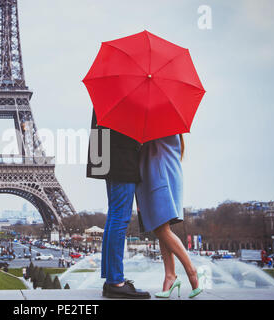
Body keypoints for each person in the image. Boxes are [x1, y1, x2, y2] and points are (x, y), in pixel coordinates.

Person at [87, 110, 150, 299]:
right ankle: (115, 281)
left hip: (109, 155)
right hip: (122, 158)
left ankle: (111, 279)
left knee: (114, 216)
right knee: (120, 218)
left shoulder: (110, 93)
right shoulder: (128, 96)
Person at [136, 134, 203, 299]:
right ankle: (170, 276)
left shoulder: (157, 129)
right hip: (165, 175)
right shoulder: (169, 128)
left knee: (161, 230)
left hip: (159, 178)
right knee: (162, 229)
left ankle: (191, 271)